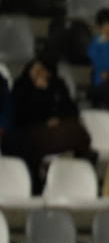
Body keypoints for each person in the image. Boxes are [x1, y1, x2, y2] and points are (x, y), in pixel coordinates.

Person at [10, 57, 91, 191]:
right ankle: (35, 183)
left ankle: (81, 178)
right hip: (29, 130)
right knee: (32, 142)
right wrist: (40, 92)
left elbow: (70, 109)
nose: (37, 74)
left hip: (56, 130)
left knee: (76, 131)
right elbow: (22, 114)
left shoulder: (57, 85)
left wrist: (57, 118)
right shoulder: (21, 86)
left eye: (42, 70)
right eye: (34, 70)